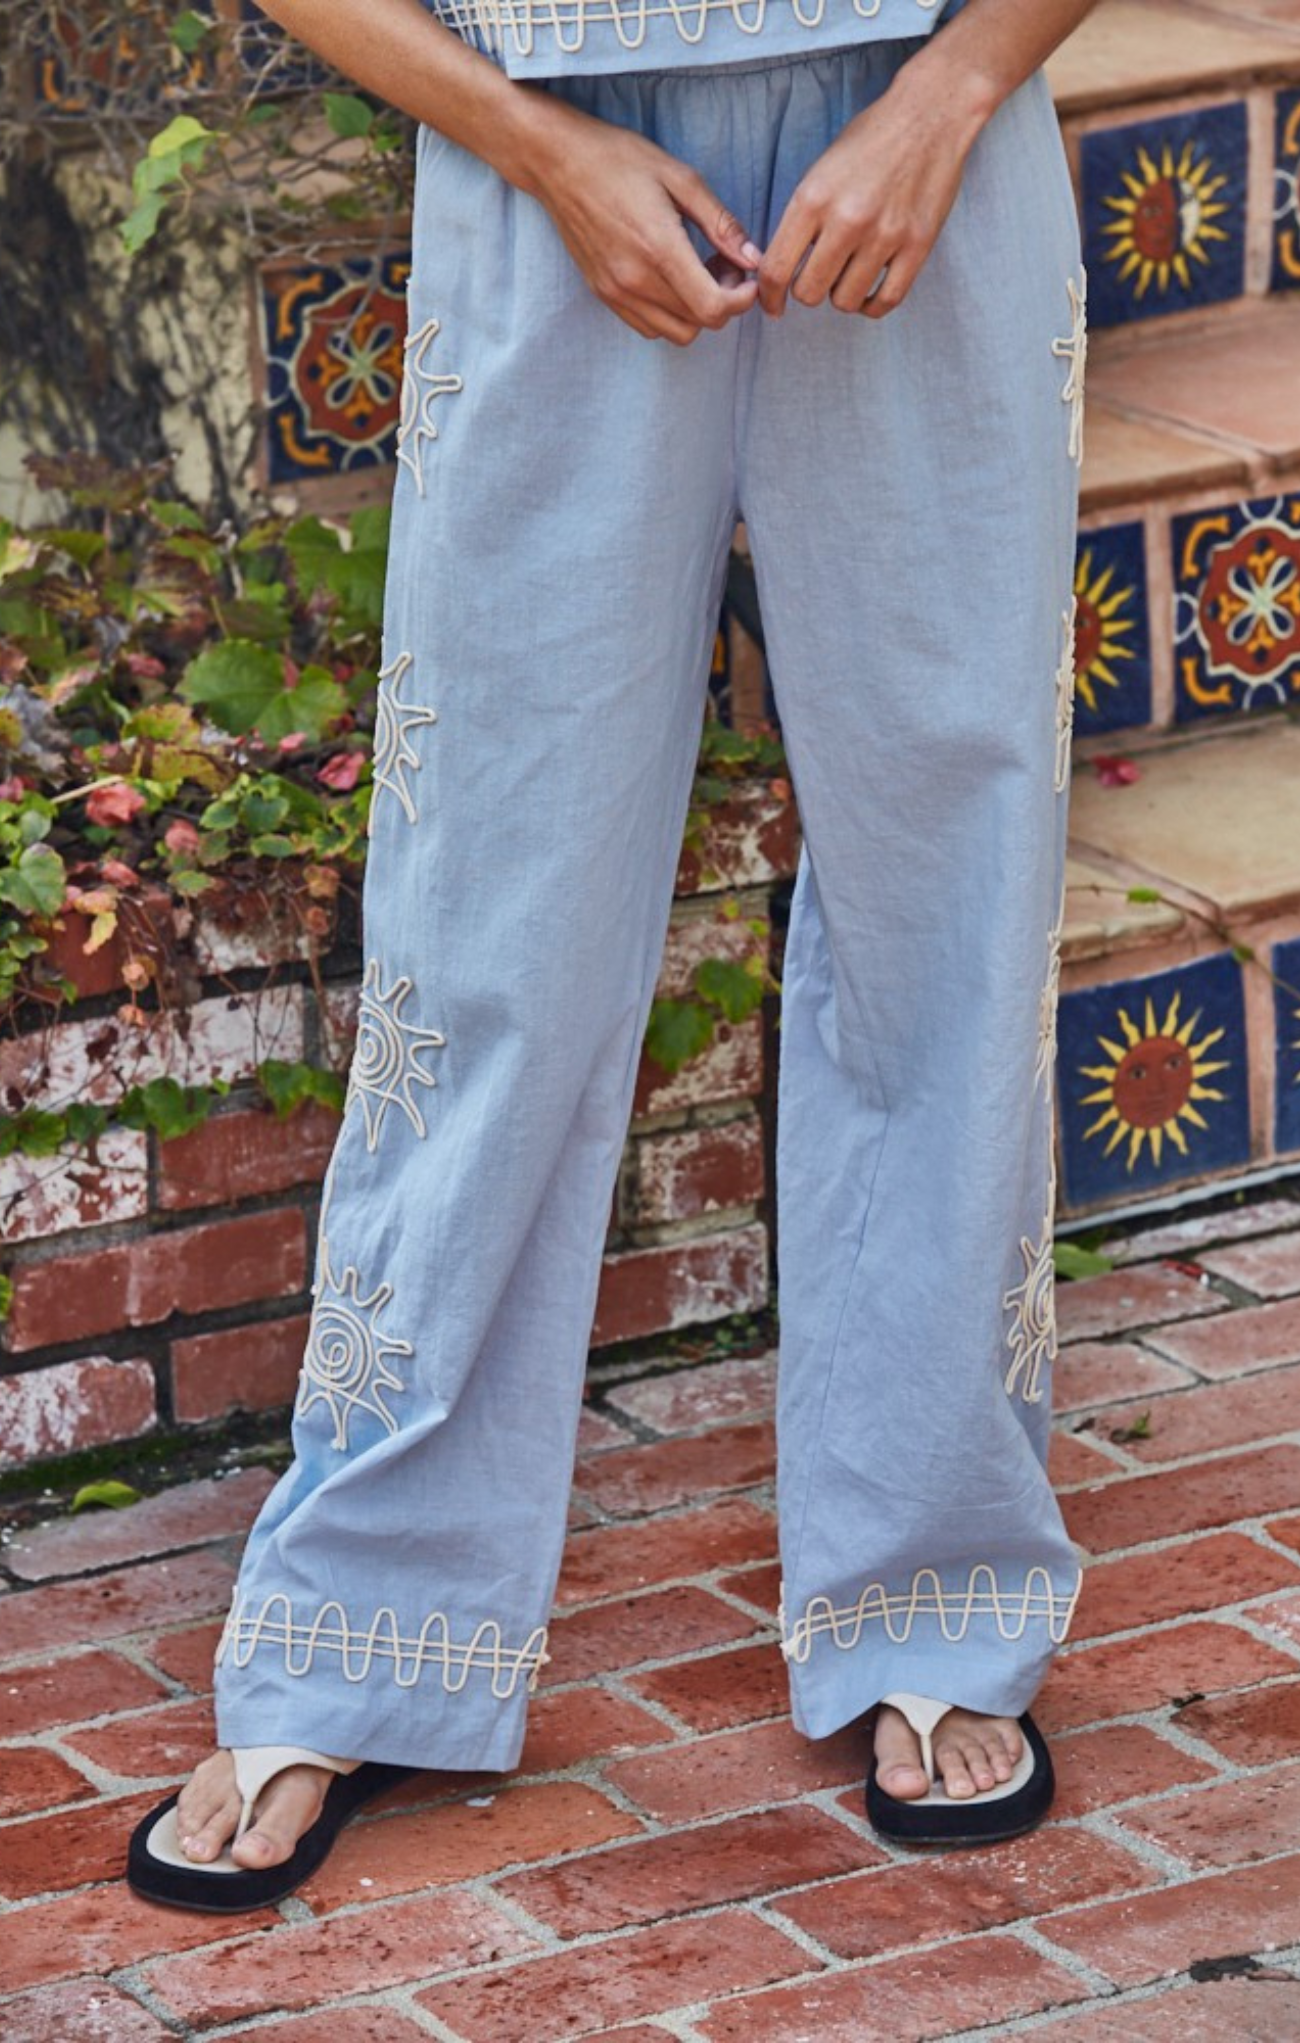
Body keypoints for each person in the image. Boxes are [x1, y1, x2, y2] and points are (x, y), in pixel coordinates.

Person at [127, 0, 1100, 1911]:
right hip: (538, 150)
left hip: (930, 141)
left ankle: (939, 1588)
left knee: (948, 904)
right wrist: (538, 144)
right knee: (488, 923)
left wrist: (958, 86)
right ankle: (365, 1619)